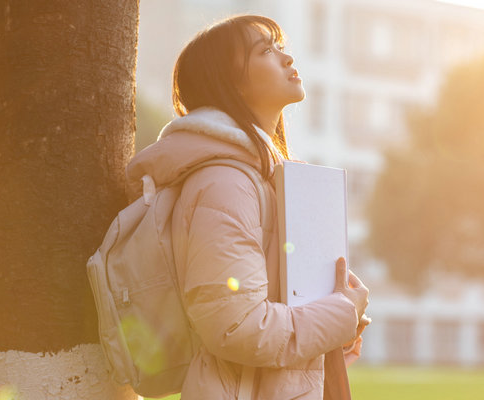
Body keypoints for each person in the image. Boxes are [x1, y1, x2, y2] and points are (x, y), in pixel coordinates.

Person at [126, 14, 369, 400]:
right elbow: (235, 328)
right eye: (265, 51)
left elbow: (274, 312)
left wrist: (335, 330)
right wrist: (341, 313)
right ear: (231, 82)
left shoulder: (266, 178)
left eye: (281, 47)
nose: (287, 59)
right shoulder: (225, 184)